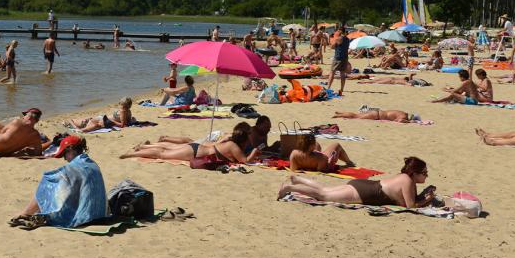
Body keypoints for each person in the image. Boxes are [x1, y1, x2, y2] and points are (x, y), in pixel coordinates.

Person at [11, 135, 106, 229]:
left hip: (84, 218)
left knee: (48, 181)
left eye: (64, 154)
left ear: (71, 150)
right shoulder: (92, 164)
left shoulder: (74, 168)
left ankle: (26, 213)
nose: (65, 158)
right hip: (100, 214)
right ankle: (37, 214)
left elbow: (50, 178)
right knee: (67, 186)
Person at [277, 157, 434, 208]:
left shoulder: (406, 178)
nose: (426, 176)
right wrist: (427, 199)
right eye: (424, 173)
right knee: (323, 195)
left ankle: (297, 179)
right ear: (414, 173)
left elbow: (409, 199)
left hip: (364, 186)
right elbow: (410, 206)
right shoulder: (407, 181)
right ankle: (289, 187)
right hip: (366, 192)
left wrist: (423, 194)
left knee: (326, 189)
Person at [119, 122, 260, 163]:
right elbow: (245, 160)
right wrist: (255, 151)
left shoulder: (230, 142)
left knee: (166, 151)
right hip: (195, 152)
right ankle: (131, 154)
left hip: (197, 149)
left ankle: (138, 150)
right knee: (162, 154)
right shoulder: (232, 145)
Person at [288, 136, 356, 172]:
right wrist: (330, 161)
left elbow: (293, 168)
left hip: (305, 161)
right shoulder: (320, 157)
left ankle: (348, 162)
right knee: (337, 145)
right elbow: (322, 170)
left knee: (318, 145)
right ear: (312, 145)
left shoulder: (294, 153)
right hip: (319, 161)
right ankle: (349, 162)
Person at [66, 97, 133, 132]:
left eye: (121, 105)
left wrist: (112, 122)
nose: (120, 106)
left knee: (89, 122)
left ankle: (77, 127)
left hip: (105, 121)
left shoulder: (122, 111)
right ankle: (75, 125)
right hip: (104, 119)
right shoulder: (128, 111)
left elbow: (123, 125)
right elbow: (128, 121)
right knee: (88, 121)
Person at [326, 27, 351, 96]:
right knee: (342, 73)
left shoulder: (339, 38)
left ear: (340, 31)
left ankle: (328, 87)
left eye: (337, 30)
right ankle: (342, 89)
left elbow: (332, 46)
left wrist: (334, 38)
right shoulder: (347, 39)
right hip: (345, 58)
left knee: (332, 72)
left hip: (338, 57)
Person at [333, 108, 421, 123]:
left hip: (377, 112)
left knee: (357, 115)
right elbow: (399, 121)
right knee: (356, 117)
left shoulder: (403, 113)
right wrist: (409, 122)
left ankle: (341, 113)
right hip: (377, 115)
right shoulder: (404, 117)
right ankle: (339, 116)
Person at [357, 73, 431, 86]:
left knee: (375, 81)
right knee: (376, 80)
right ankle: (366, 81)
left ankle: (365, 82)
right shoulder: (410, 80)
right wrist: (410, 76)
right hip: (392, 79)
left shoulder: (407, 82)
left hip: (392, 80)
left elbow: (410, 84)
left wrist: (410, 76)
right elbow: (410, 81)